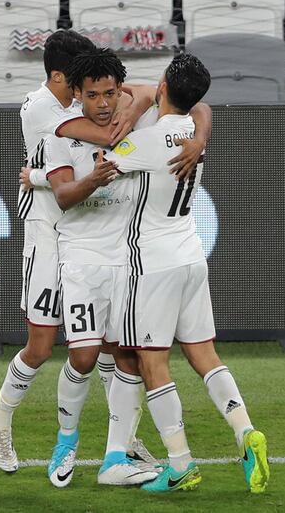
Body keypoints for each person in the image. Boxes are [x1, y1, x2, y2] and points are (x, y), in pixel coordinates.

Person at [0, 30, 172, 474]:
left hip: (90, 234)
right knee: (42, 342)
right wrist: (127, 125)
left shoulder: (86, 97)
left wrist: (139, 103)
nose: (96, 93)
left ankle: (122, 440)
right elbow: (99, 141)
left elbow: (148, 91)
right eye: (83, 81)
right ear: (59, 76)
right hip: (48, 231)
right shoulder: (41, 109)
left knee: (107, 343)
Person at [42, 48, 210, 487]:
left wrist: (198, 139)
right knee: (81, 356)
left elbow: (200, 105)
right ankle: (66, 440)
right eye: (92, 94)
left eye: (110, 93)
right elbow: (61, 197)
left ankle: (115, 456)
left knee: (129, 356)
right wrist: (90, 182)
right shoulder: (60, 132)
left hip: (130, 259)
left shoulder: (144, 118)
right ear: (76, 94)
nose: (102, 103)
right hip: (81, 256)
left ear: (121, 90)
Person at [105, 53, 270, 493]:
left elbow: (97, 169)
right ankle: (245, 431)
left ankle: (179, 464)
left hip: (152, 263)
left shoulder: (147, 141)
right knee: (205, 355)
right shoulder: (194, 135)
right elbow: (199, 109)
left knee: (152, 362)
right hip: (191, 255)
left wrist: (40, 175)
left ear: (162, 83)